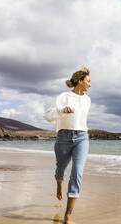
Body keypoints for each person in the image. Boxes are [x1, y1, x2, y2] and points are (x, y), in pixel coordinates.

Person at [43, 66, 92, 224]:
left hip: (82, 138)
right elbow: (47, 116)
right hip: (63, 137)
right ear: (80, 81)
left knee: (77, 172)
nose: (90, 85)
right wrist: (62, 111)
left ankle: (68, 215)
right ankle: (59, 183)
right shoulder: (64, 96)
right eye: (88, 81)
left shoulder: (88, 100)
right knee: (61, 169)